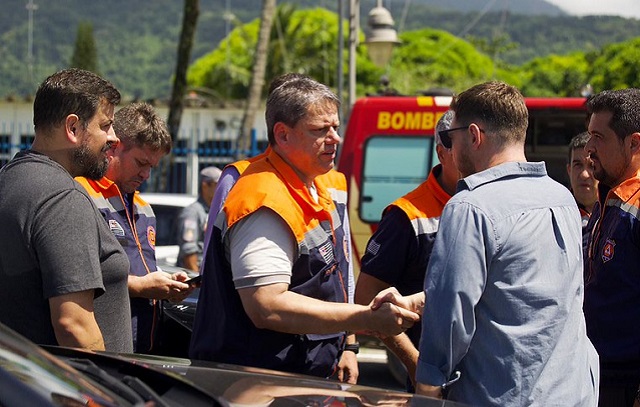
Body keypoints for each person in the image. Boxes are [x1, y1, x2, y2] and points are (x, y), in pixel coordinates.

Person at [375, 81, 599, 405]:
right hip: (573, 392)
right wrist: (424, 300)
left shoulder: (469, 207)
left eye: (451, 138)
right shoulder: (562, 198)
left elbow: (451, 314)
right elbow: (529, 291)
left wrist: (427, 388)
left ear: (475, 136)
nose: (449, 149)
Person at [189, 74, 419, 381]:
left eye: (336, 127)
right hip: (257, 379)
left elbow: (340, 272)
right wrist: (366, 318)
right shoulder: (261, 196)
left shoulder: (322, 182)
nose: (335, 138)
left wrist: (347, 343)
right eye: (320, 130)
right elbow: (266, 306)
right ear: (282, 135)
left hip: (299, 372)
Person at [0, 68, 133, 352]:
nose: (114, 138)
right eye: (105, 125)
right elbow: (74, 326)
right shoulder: (63, 199)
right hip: (73, 390)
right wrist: (110, 394)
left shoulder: (9, 181)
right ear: (73, 128)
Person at [76, 102, 193, 353]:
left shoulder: (144, 208)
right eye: (141, 163)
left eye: (152, 166)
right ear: (114, 147)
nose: (146, 175)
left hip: (143, 349)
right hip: (101, 350)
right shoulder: (81, 194)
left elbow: (141, 269)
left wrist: (167, 284)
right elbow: (76, 279)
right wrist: (141, 287)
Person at [354, 110, 458, 391]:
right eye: (464, 148)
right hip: (434, 383)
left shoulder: (490, 204)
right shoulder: (406, 216)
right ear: (442, 152)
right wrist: (416, 366)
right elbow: (367, 297)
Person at [583, 88, 640, 406]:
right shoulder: (610, 198)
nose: (589, 148)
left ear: (634, 142)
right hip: (597, 377)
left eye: (598, 137)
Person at [176, 166, 221, 272]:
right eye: (218, 184)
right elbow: (188, 250)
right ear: (205, 185)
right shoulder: (192, 212)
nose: (222, 188)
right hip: (197, 277)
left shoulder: (214, 211)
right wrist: (198, 280)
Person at [567, 131, 598, 251]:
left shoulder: (617, 214)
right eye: (578, 165)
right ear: (569, 170)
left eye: (592, 166)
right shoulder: (556, 215)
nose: (584, 174)